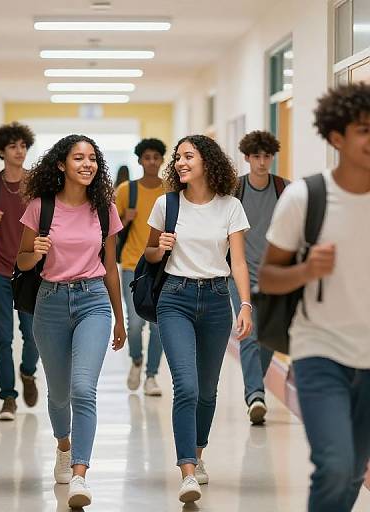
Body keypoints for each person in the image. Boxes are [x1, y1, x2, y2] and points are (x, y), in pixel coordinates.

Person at [259, 82, 370, 512]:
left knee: (354, 468)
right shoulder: (307, 197)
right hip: (319, 350)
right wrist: (307, 270)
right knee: (336, 464)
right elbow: (268, 277)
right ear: (336, 137)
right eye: (363, 129)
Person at [17, 134, 126, 508]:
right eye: (78, 157)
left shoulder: (104, 207)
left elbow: (111, 266)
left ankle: (80, 474)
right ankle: (64, 445)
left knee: (83, 389)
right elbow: (22, 262)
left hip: (93, 300)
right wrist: (35, 251)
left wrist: (119, 319)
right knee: (59, 393)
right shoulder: (40, 207)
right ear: (61, 164)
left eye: (92, 158)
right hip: (49, 303)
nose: (87, 164)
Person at [145, 135, 252, 503]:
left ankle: (199, 452)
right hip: (174, 297)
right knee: (186, 387)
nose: (180, 162)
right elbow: (149, 253)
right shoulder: (166, 204)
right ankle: (187, 470)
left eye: (188, 156)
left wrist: (246, 304)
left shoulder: (230, 207)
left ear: (208, 160)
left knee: (207, 391)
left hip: (217, 299)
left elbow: (237, 261)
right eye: (178, 157)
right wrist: (159, 249)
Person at [0, 122, 40, 421]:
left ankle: (28, 372)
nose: (20, 151)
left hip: (30, 270)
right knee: (2, 337)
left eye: (23, 145)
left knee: (33, 334)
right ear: (1, 151)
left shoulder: (37, 184)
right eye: (13, 146)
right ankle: (8, 398)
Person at [229, 130, 288, 424]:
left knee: (270, 337)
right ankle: (255, 395)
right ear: (247, 158)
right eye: (256, 157)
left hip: (274, 276)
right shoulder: (234, 190)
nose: (262, 162)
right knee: (249, 334)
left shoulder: (283, 190)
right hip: (239, 274)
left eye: (267, 156)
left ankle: (255, 386)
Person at [116, 138, 166, 395]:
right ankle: (136, 359)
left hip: (162, 265)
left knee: (158, 323)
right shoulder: (126, 191)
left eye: (156, 157)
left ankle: (151, 376)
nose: (152, 162)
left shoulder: (170, 190)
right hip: (132, 264)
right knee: (135, 322)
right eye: (147, 157)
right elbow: (110, 230)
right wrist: (126, 218)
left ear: (162, 160)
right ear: (140, 160)